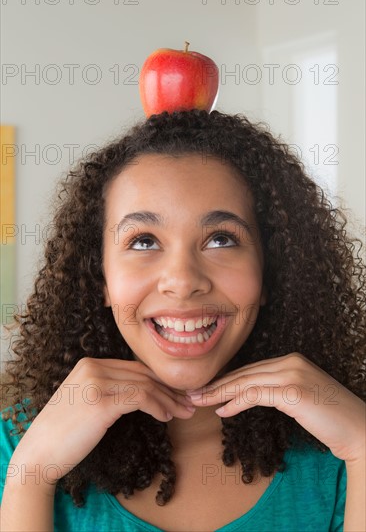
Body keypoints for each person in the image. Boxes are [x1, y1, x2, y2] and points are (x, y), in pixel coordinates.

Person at [0, 110, 365, 532]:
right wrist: (31, 474)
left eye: (221, 239)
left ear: (270, 272)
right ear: (100, 276)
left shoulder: (340, 452)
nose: (183, 281)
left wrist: (363, 446)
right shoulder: (18, 448)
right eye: (143, 241)